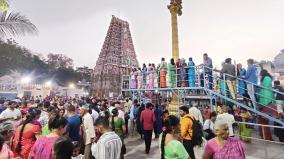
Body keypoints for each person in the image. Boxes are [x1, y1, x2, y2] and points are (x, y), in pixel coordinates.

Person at [258, 69, 274, 140]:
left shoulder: (266, 78)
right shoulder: (268, 77)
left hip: (265, 96)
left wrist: (260, 85)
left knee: (264, 119)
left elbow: (264, 85)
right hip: (267, 96)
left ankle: (266, 136)